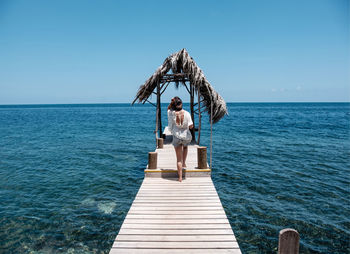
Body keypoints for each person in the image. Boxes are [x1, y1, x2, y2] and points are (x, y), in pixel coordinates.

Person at [167, 97, 193, 182]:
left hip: (176, 136)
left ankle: (180, 177)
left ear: (174, 105)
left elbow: (168, 110)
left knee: (178, 159)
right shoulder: (187, 113)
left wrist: (172, 101)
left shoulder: (171, 113)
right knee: (185, 147)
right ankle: (184, 162)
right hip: (185, 136)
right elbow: (191, 126)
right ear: (181, 103)